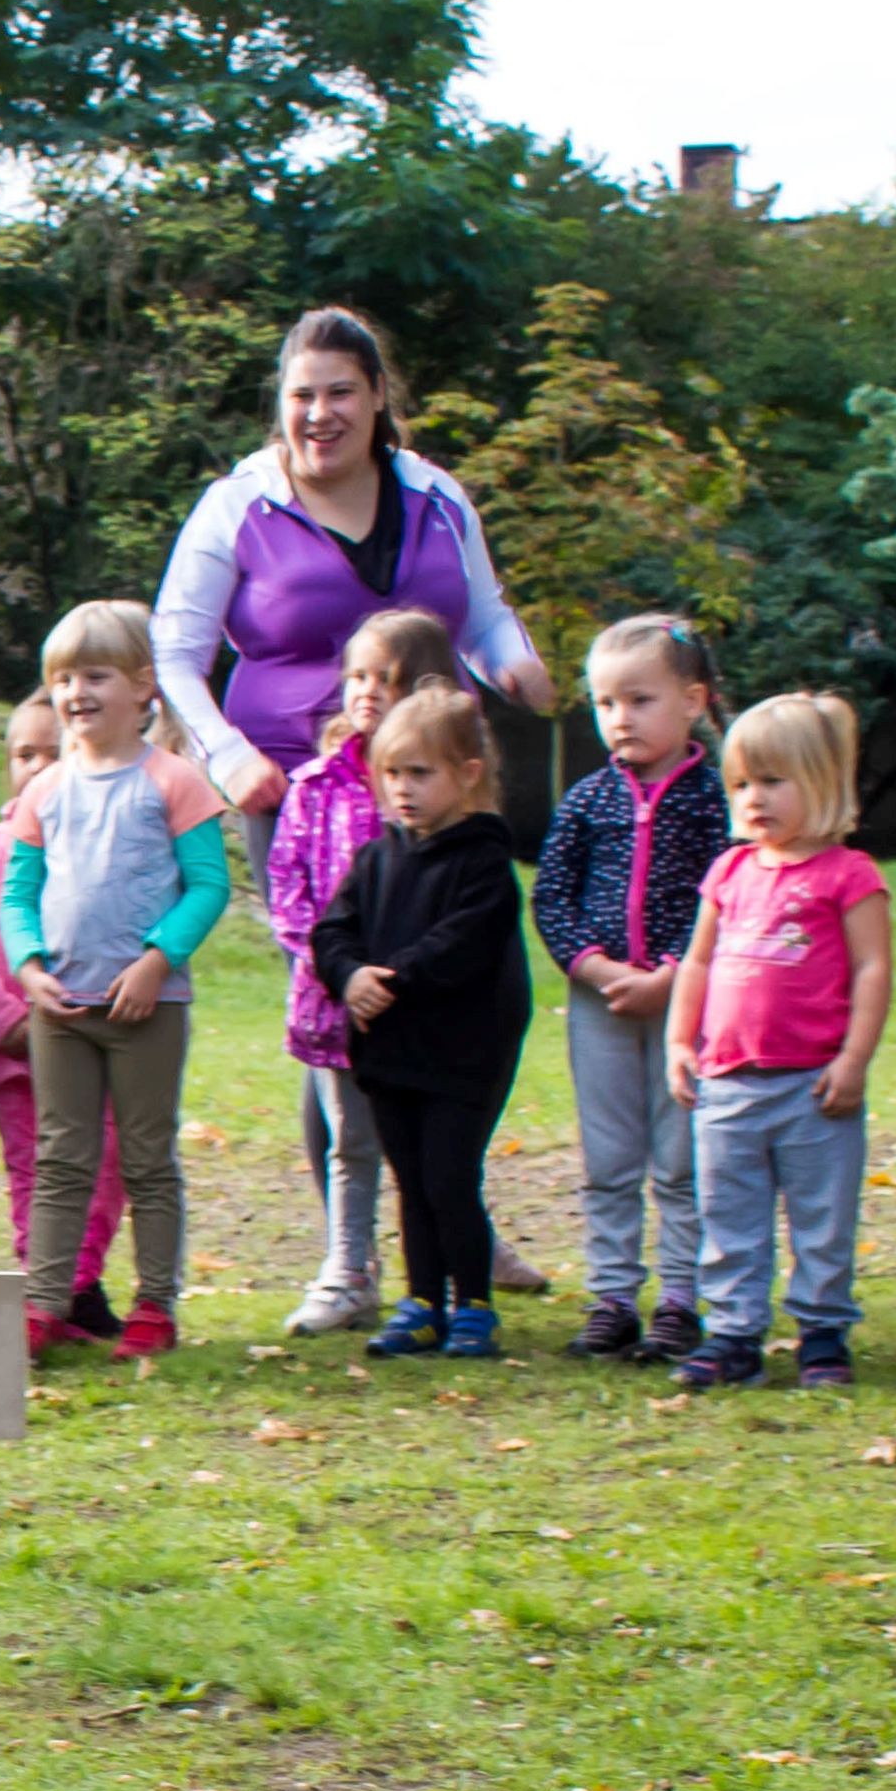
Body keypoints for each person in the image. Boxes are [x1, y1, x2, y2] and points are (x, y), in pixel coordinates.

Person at [154, 302, 561, 1294]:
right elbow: (173, 649)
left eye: (340, 392)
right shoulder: (237, 506)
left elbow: (483, 614)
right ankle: (352, 1252)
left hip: (434, 792)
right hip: (304, 796)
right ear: (279, 405)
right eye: (301, 394)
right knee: (340, 1006)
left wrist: (514, 665)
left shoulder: (433, 496)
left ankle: (450, 1216)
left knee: (453, 1002)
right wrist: (226, 756)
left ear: (378, 399)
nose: (319, 413)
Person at [0, 601, 228, 1362]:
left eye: (94, 675)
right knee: (62, 1158)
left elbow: (206, 887)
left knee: (145, 1158)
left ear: (141, 687)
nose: (75, 693)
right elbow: (18, 891)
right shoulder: (46, 790)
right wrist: (29, 965)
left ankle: (154, 1306)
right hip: (61, 1008)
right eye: (62, 678)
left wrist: (157, 960)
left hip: (146, 1008)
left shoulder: (174, 781)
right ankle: (41, 1304)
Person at [666, 692, 894, 1393]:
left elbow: (872, 968)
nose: (753, 798)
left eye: (772, 781)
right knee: (728, 1213)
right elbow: (697, 962)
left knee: (822, 1215)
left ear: (822, 781)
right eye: (741, 784)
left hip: (812, 1086)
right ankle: (733, 1333)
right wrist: (680, 1040)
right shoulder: (730, 874)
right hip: (728, 1083)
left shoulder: (849, 875)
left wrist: (853, 1060)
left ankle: (822, 1333)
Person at [308, 687, 535, 1360]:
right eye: (392, 773)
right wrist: (349, 975)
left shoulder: (485, 862)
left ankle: (474, 1303)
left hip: (463, 1055)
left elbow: (461, 944)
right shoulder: (378, 857)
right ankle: (423, 1300)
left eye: (420, 773)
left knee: (449, 1175)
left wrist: (394, 979)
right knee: (409, 1178)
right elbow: (334, 929)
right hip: (391, 1052)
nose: (403, 789)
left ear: (467, 774)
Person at [535, 614, 732, 1365]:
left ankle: (682, 1298)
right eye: (604, 701)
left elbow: (728, 894)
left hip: (689, 1000)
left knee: (680, 1156)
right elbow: (551, 896)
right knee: (609, 1155)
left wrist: (676, 973)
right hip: (601, 1001)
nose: (620, 718)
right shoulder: (587, 801)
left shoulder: (716, 800)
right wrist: (594, 967)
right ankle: (612, 1295)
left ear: (693, 701)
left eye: (639, 699)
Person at [262, 610, 461, 1334]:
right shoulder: (314, 785)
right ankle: (349, 1270)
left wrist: (401, 973)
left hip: (420, 1000)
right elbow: (287, 885)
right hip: (336, 998)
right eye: (357, 675)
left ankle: (439, 1275)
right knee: (352, 1140)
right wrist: (335, 965)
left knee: (427, 1141)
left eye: (388, 678)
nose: (368, 691)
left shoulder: (438, 797)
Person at [0, 694, 129, 1318]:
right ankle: (45, 1286)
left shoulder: (113, 844)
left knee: (107, 1162)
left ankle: (81, 1279)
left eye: (53, 754)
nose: (36, 766)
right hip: (16, 1048)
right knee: (34, 1165)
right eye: (24, 754)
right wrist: (7, 1018)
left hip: (96, 1038)